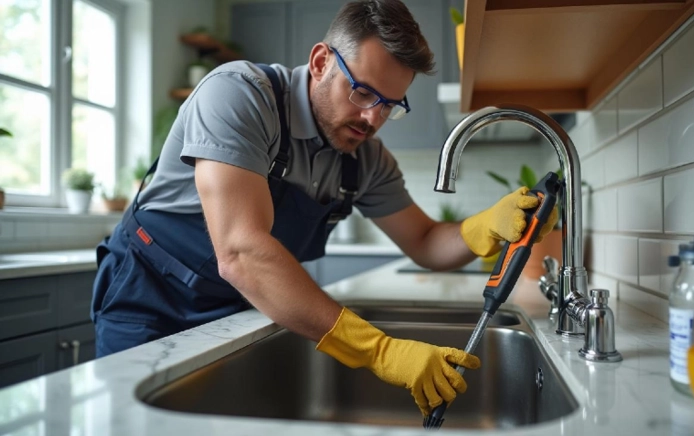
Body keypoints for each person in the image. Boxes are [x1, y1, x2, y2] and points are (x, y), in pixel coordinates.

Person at [91, 0, 558, 416]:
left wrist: (486, 226)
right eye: (364, 93)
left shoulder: (366, 159)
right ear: (320, 62)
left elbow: (424, 241)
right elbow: (241, 253)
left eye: (391, 105)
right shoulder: (239, 95)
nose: (374, 119)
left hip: (239, 309)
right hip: (150, 300)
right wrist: (380, 351)